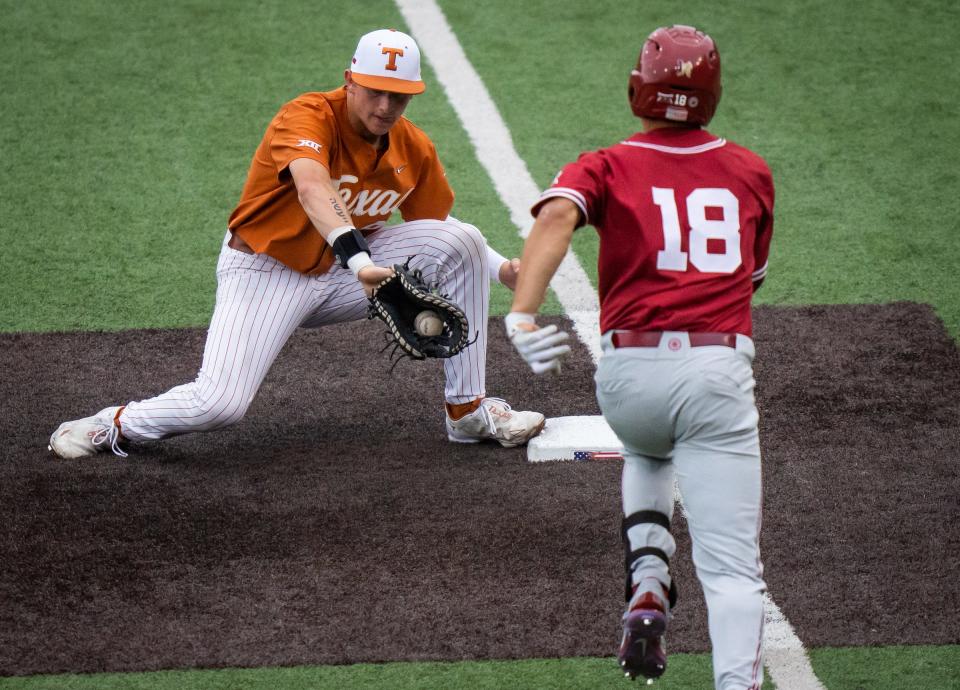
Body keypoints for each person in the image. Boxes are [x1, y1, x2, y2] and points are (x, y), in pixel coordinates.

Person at [49, 28, 545, 460]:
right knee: (218, 404)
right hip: (268, 273)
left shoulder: (412, 146)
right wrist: (360, 261)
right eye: (374, 92)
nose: (385, 107)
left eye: (399, 96)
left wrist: (501, 270)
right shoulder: (307, 116)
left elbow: (436, 224)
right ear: (350, 80)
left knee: (463, 241)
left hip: (347, 277)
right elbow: (312, 187)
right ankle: (113, 424)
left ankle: (469, 411)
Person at [505, 25, 773, 690]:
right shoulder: (750, 171)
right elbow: (750, 278)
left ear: (639, 89)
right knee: (735, 572)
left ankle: (649, 580)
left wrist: (521, 311)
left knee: (651, 448)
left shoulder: (604, 163)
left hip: (628, 380)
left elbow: (555, 222)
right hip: (714, 373)